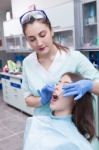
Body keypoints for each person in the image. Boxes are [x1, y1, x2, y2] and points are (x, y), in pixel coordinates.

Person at [20, 9, 99, 116]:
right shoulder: (27, 63)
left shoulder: (74, 57)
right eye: (32, 39)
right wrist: (42, 100)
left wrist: (90, 85)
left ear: (51, 31)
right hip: (42, 125)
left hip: (71, 126)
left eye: (42, 35)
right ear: (27, 40)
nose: (39, 43)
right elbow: (27, 99)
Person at [23, 72, 95, 150]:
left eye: (65, 85)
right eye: (58, 83)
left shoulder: (78, 144)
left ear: (76, 98)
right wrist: (41, 99)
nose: (56, 87)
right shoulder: (34, 121)